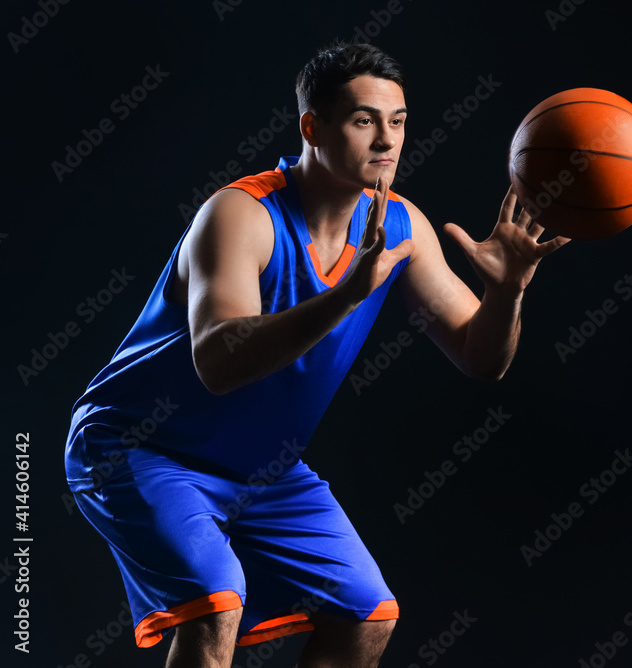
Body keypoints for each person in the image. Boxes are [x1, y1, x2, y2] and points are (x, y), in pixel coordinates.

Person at [65, 39, 568, 667]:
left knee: (366, 615)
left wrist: (506, 292)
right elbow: (218, 365)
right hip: (136, 446)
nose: (387, 140)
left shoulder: (401, 227)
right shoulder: (240, 215)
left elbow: (481, 358)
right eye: (364, 120)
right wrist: (344, 295)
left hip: (257, 469)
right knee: (215, 603)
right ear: (313, 127)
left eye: (399, 121)